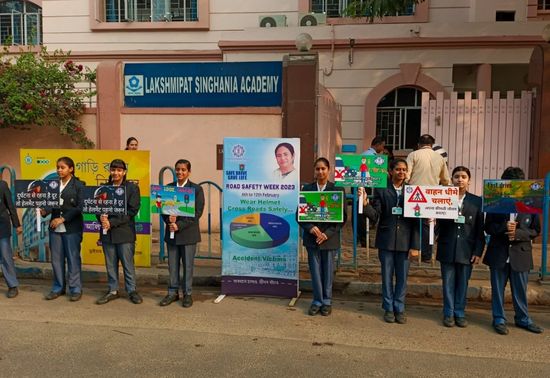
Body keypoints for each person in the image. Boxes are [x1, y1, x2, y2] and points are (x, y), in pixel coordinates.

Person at [483, 167, 543, 335]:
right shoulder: (495, 203)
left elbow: (536, 230)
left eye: (518, 184)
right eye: (510, 184)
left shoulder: (530, 203)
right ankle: (499, 319)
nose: (514, 187)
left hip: (520, 253)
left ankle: (523, 319)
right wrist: (504, 227)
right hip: (499, 253)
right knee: (497, 289)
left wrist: (518, 233)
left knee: (520, 290)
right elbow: (488, 227)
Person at [363, 158, 419, 324]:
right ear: (391, 171)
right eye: (398, 169)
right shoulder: (382, 190)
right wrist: (366, 204)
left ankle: (399, 308)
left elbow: (417, 220)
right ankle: (388, 307)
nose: (401, 172)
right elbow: (375, 216)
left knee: (402, 277)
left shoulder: (412, 191)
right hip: (386, 240)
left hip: (406, 241)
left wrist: (415, 245)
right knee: (387, 276)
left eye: (404, 170)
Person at [436, 166, 485, 328]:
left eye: (463, 176)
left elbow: (480, 229)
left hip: (467, 250)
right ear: (452, 179)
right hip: (447, 247)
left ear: (469, 180)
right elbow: (438, 226)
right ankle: (448, 313)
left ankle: (460, 313)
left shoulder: (477, 201)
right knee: (448, 282)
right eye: (456, 176)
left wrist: (478, 251)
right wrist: (432, 220)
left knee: (463, 283)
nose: (460, 180)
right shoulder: (443, 197)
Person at [299, 157, 346, 316]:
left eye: (323, 169)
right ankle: (317, 300)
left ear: (329, 170)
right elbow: (299, 215)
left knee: (328, 271)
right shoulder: (306, 189)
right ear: (314, 171)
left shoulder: (337, 190)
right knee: (315, 271)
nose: (320, 172)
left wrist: (327, 234)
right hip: (312, 238)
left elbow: (342, 218)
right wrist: (311, 227)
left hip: (329, 239)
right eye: (317, 169)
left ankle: (327, 301)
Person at [96, 159, 143, 305]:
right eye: (113, 170)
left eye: (118, 170)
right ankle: (113, 290)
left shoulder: (132, 188)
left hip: (124, 232)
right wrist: (102, 219)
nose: (115, 173)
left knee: (128, 264)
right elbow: (96, 208)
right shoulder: (103, 188)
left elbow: (132, 211)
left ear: (124, 172)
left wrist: (112, 222)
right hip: (107, 233)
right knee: (110, 264)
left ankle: (132, 290)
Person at [159, 159, 205, 308]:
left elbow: (197, 213)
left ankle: (187, 294)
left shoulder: (196, 190)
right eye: (177, 169)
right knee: (172, 265)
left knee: (188, 266)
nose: (180, 172)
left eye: (183, 170)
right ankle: (172, 292)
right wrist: (168, 220)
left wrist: (179, 225)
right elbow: (161, 208)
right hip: (171, 234)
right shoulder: (168, 189)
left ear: (189, 172)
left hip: (188, 235)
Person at [41, 157, 85, 301]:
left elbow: (80, 207)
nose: (59, 170)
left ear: (71, 169)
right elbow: (50, 203)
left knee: (73, 258)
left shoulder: (79, 185)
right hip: (55, 229)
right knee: (56, 259)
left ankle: (75, 288)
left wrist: (63, 218)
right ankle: (58, 287)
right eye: (58, 167)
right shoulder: (52, 185)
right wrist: (44, 211)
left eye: (62, 167)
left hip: (71, 228)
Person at [406, 134, 450, 262]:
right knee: (428, 224)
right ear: (432, 145)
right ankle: (427, 254)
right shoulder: (440, 158)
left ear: (419, 144)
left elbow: (407, 176)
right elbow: (446, 180)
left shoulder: (413, 155)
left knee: (414, 222)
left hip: (414, 193)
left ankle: (414, 249)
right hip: (432, 194)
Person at [0, 179, 22, 298]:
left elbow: (10, 205)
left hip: (2, 226)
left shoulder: (2, 185)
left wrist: (16, 224)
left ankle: (12, 285)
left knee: (5, 256)